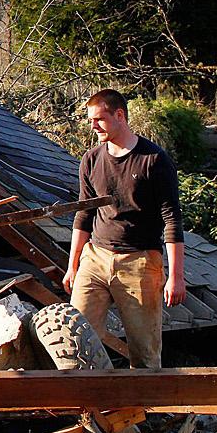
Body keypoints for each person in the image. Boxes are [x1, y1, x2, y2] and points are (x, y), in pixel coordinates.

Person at [63, 88, 186, 369]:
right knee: (76, 338)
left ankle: (143, 410)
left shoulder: (153, 160)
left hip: (140, 262)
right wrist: (73, 265)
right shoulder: (91, 159)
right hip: (95, 258)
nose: (93, 126)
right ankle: (86, 406)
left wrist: (176, 276)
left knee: (145, 353)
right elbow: (84, 215)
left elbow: (172, 220)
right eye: (91, 120)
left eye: (99, 119)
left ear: (120, 115)